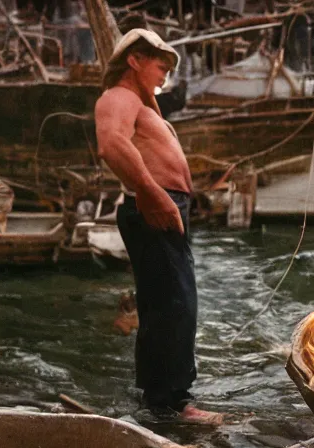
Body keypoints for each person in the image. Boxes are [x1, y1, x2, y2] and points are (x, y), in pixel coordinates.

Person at [95, 29, 222, 425]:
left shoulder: (138, 100)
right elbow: (112, 143)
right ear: (134, 60)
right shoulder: (118, 97)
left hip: (162, 204)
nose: (165, 76)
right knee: (177, 305)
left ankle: (157, 400)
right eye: (159, 66)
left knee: (161, 304)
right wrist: (151, 192)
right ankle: (174, 403)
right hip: (154, 205)